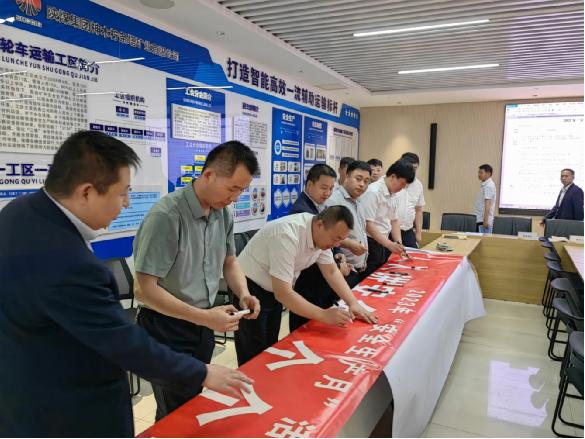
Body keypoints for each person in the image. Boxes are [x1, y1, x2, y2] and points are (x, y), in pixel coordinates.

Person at [0, 131, 252, 437]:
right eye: (122, 193)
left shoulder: (20, 211)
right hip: (67, 409)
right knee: (176, 416)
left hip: (27, 384)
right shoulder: (72, 264)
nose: (127, 203)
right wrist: (202, 373)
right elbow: (123, 341)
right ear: (87, 192)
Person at [132, 140, 261, 421]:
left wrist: (243, 293)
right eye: (232, 188)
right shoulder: (167, 216)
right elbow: (143, 289)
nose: (235, 198)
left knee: (192, 402)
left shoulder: (222, 213)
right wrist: (204, 317)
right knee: (175, 411)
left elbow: (230, 261)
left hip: (203, 324)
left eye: (242, 190)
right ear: (209, 175)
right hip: (167, 327)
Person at [235, 206, 378, 365]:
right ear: (320, 225)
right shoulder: (287, 235)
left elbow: (331, 271)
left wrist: (353, 303)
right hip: (249, 287)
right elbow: (283, 293)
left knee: (269, 347)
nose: (336, 244)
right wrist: (324, 315)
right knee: (253, 354)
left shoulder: (321, 236)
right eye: (335, 239)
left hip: (273, 288)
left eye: (340, 240)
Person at [288, 164, 351, 331]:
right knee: (303, 329)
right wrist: (338, 266)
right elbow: (318, 246)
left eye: (331, 188)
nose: (328, 193)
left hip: (321, 277)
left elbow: (330, 236)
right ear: (309, 185)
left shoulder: (321, 206)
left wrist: (337, 253)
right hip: (308, 280)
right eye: (323, 188)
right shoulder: (302, 212)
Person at [361, 159, 415, 277]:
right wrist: (390, 245)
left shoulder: (393, 192)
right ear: (393, 177)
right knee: (370, 278)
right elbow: (368, 224)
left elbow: (394, 220)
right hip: (370, 243)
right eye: (402, 184)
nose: (402, 188)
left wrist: (399, 244)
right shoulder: (373, 192)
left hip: (383, 242)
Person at [326, 160, 371, 287]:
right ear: (347, 176)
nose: (362, 184)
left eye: (366, 181)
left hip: (359, 268)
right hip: (344, 270)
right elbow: (328, 236)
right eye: (358, 179)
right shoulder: (334, 201)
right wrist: (350, 244)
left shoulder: (359, 200)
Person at [396, 153, 426, 248]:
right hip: (389, 231)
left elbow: (419, 210)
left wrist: (418, 233)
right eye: (409, 167)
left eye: (415, 168)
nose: (412, 171)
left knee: (413, 255)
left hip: (408, 231)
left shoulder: (418, 185)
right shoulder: (393, 182)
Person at [475, 164, 497, 234]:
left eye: (481, 172)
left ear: (488, 174)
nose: (479, 174)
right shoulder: (486, 184)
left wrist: (485, 221)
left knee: (483, 240)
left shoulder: (489, 186)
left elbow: (488, 205)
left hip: (483, 221)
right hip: (480, 219)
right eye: (478, 172)